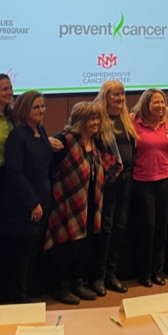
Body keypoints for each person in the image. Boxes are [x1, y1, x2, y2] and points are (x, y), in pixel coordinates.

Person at [46, 102, 121, 305]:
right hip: (67, 205)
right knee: (66, 247)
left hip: (90, 204)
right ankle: (61, 287)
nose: (96, 122)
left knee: (83, 247)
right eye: (91, 119)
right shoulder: (66, 140)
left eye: (97, 118)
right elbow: (44, 148)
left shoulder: (95, 142)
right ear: (80, 121)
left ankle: (77, 283)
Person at [0, 91, 54, 304]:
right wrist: (33, 203)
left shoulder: (41, 131)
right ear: (24, 110)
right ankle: (19, 300)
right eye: (35, 107)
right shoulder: (17, 136)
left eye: (42, 107)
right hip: (24, 206)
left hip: (44, 201)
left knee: (34, 254)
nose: (40, 111)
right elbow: (14, 172)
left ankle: (27, 294)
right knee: (22, 256)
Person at [92, 81, 137, 296]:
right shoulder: (98, 118)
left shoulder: (126, 118)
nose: (119, 99)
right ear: (105, 96)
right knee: (106, 227)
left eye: (122, 94)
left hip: (127, 179)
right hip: (107, 181)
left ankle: (112, 273)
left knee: (120, 225)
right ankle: (98, 276)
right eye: (115, 95)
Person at [131, 89, 168, 287]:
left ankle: (158, 271)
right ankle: (144, 272)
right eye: (155, 103)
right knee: (147, 227)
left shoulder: (166, 122)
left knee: (161, 227)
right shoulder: (134, 123)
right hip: (143, 181)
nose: (159, 106)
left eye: (162, 102)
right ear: (146, 104)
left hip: (166, 178)